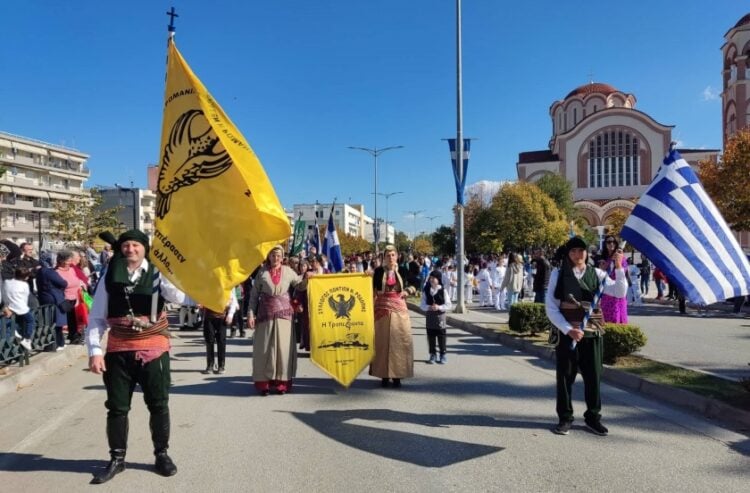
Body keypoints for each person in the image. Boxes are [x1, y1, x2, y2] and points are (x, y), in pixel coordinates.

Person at [85, 229, 186, 484]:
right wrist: (95, 352)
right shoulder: (110, 274)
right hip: (119, 349)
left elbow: (180, 297)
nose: (131, 249)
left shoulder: (157, 272)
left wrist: (204, 286)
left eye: (136, 245)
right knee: (117, 407)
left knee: (158, 403)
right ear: (121, 249)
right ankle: (117, 458)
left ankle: (161, 454)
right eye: (127, 245)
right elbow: (97, 316)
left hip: (154, 347)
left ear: (145, 248)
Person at [545, 236, 628, 436]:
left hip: (591, 333)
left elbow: (619, 292)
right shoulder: (559, 274)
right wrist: (568, 329)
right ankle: (565, 418)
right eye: (573, 251)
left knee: (593, 376)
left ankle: (593, 417)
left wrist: (618, 267)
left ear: (587, 253)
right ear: (568, 253)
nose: (577, 255)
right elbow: (551, 307)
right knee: (565, 377)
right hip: (568, 334)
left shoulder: (597, 273)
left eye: (581, 251)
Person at [247, 245, 306, 396]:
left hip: (284, 316)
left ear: (282, 257)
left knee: (282, 349)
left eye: (278, 255)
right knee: (264, 348)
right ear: (269, 256)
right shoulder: (262, 272)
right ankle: (264, 383)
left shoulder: (288, 271)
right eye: (273, 255)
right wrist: (250, 314)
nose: (275, 258)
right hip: (265, 315)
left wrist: (309, 278)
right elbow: (254, 296)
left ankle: (282, 383)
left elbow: (299, 285)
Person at [370, 244, 413, 388]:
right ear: (384, 257)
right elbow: (372, 289)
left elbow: (415, 282)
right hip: (382, 309)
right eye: (388, 255)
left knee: (399, 341)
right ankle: (384, 375)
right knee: (382, 342)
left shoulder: (404, 270)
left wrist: (407, 290)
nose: (390, 258)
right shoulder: (378, 272)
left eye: (393, 255)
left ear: (397, 256)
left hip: (399, 308)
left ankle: (397, 376)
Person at [201, 288, 238, 374]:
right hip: (209, 317)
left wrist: (230, 314)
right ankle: (210, 365)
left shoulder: (226, 284)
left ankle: (221, 365)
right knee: (209, 340)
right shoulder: (207, 283)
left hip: (222, 317)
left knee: (221, 341)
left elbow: (233, 300)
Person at [36, 251, 68, 350]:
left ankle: (57, 343)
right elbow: (62, 283)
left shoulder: (40, 270)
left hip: (45, 297)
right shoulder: (49, 271)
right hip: (54, 298)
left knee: (51, 321)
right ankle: (57, 344)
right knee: (55, 322)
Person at [420, 270, 452, 364]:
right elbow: (422, 305)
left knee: (441, 336)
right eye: (431, 278)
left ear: (438, 279)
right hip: (430, 316)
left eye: (434, 278)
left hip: (440, 317)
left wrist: (439, 307)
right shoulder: (426, 290)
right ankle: (432, 354)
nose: (432, 280)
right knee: (431, 336)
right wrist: (428, 307)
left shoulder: (443, 290)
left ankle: (443, 354)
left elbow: (449, 305)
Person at [598, 235, 629, 323]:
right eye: (609, 242)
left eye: (613, 242)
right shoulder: (605, 259)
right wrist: (602, 269)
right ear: (605, 244)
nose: (611, 244)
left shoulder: (620, 257)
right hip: (607, 293)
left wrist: (618, 263)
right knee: (606, 317)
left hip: (617, 290)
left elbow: (623, 271)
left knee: (616, 317)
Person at [3, 267, 35, 351]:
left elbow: (4, 293)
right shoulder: (24, 285)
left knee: (10, 322)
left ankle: (14, 332)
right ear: (25, 277)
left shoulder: (7, 282)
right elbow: (25, 297)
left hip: (9, 306)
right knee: (30, 320)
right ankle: (27, 339)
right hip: (20, 307)